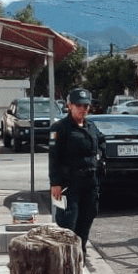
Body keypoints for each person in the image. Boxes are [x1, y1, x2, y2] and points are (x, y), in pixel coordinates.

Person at [49, 88, 106, 255]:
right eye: (79, 105)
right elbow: (53, 158)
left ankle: (80, 258)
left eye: (86, 106)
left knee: (86, 221)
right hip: (68, 185)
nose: (83, 109)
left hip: (90, 184)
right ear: (69, 106)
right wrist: (55, 183)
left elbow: (102, 142)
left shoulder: (91, 127)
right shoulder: (59, 128)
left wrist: (100, 157)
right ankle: (67, 260)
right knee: (68, 224)